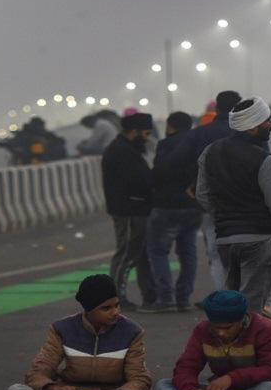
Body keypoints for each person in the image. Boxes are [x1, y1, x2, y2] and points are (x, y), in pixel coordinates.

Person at [6, 274, 160, 390]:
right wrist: (54, 388)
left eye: (117, 305)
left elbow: (140, 378)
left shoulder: (131, 332)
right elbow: (37, 373)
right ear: (89, 310)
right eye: (106, 308)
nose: (116, 312)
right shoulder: (62, 329)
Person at [196, 96, 271, 326]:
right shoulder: (264, 159)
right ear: (253, 126)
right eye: (267, 121)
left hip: (226, 238)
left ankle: (229, 348)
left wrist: (224, 216)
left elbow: (202, 195)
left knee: (231, 301)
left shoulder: (210, 152)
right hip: (258, 239)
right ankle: (247, 351)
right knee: (252, 306)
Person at [152, 289, 271, 390]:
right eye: (216, 327)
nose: (221, 333)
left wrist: (231, 378)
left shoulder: (265, 329)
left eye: (227, 328)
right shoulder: (203, 329)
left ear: (241, 320)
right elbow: (187, 365)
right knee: (162, 386)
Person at [165, 90, 241, 294]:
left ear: (216, 108)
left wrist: (194, 180)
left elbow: (173, 162)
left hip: (212, 202)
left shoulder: (201, 133)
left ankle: (225, 301)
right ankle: (251, 302)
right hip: (245, 204)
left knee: (215, 254)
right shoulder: (249, 132)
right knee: (245, 254)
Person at [141, 111, 201, 313]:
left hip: (166, 206)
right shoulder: (198, 144)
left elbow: (159, 173)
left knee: (158, 251)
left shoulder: (166, 145)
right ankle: (184, 298)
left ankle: (166, 298)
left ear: (170, 126)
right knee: (188, 251)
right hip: (193, 205)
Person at [102, 111, 156, 309]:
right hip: (128, 210)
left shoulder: (129, 149)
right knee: (126, 254)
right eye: (146, 133)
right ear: (134, 131)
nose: (148, 138)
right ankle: (115, 298)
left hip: (136, 209)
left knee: (140, 254)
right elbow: (139, 180)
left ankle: (150, 295)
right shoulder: (122, 152)